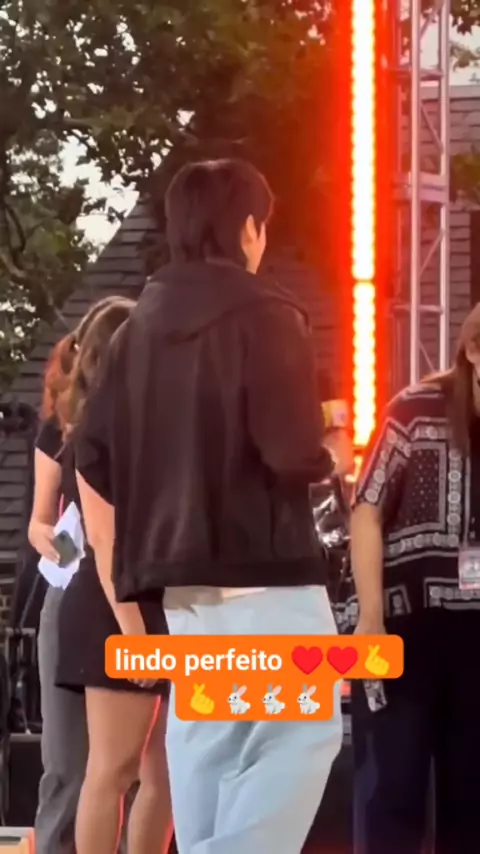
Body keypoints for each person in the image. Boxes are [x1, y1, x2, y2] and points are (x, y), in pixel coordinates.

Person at [72, 158, 343, 854]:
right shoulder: (268, 313)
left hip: (179, 590)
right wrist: (331, 448)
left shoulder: (135, 331)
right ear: (248, 228)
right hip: (267, 572)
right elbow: (291, 452)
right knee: (299, 732)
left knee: (208, 750)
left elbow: (91, 453)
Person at [350, 303, 480, 854]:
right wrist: (371, 618)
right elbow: (366, 508)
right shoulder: (413, 409)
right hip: (404, 625)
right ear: (472, 351)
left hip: (475, 636)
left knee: (471, 799)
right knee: (391, 789)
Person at [54, 300, 172, 854]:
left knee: (166, 773)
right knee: (114, 768)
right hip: (116, 608)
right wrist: (135, 634)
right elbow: (106, 541)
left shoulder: (153, 427)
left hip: (162, 601)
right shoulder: (98, 434)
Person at [30, 300, 122, 854]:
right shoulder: (60, 431)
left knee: (128, 764)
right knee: (68, 761)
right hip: (71, 588)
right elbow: (40, 524)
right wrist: (73, 548)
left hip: (129, 591)